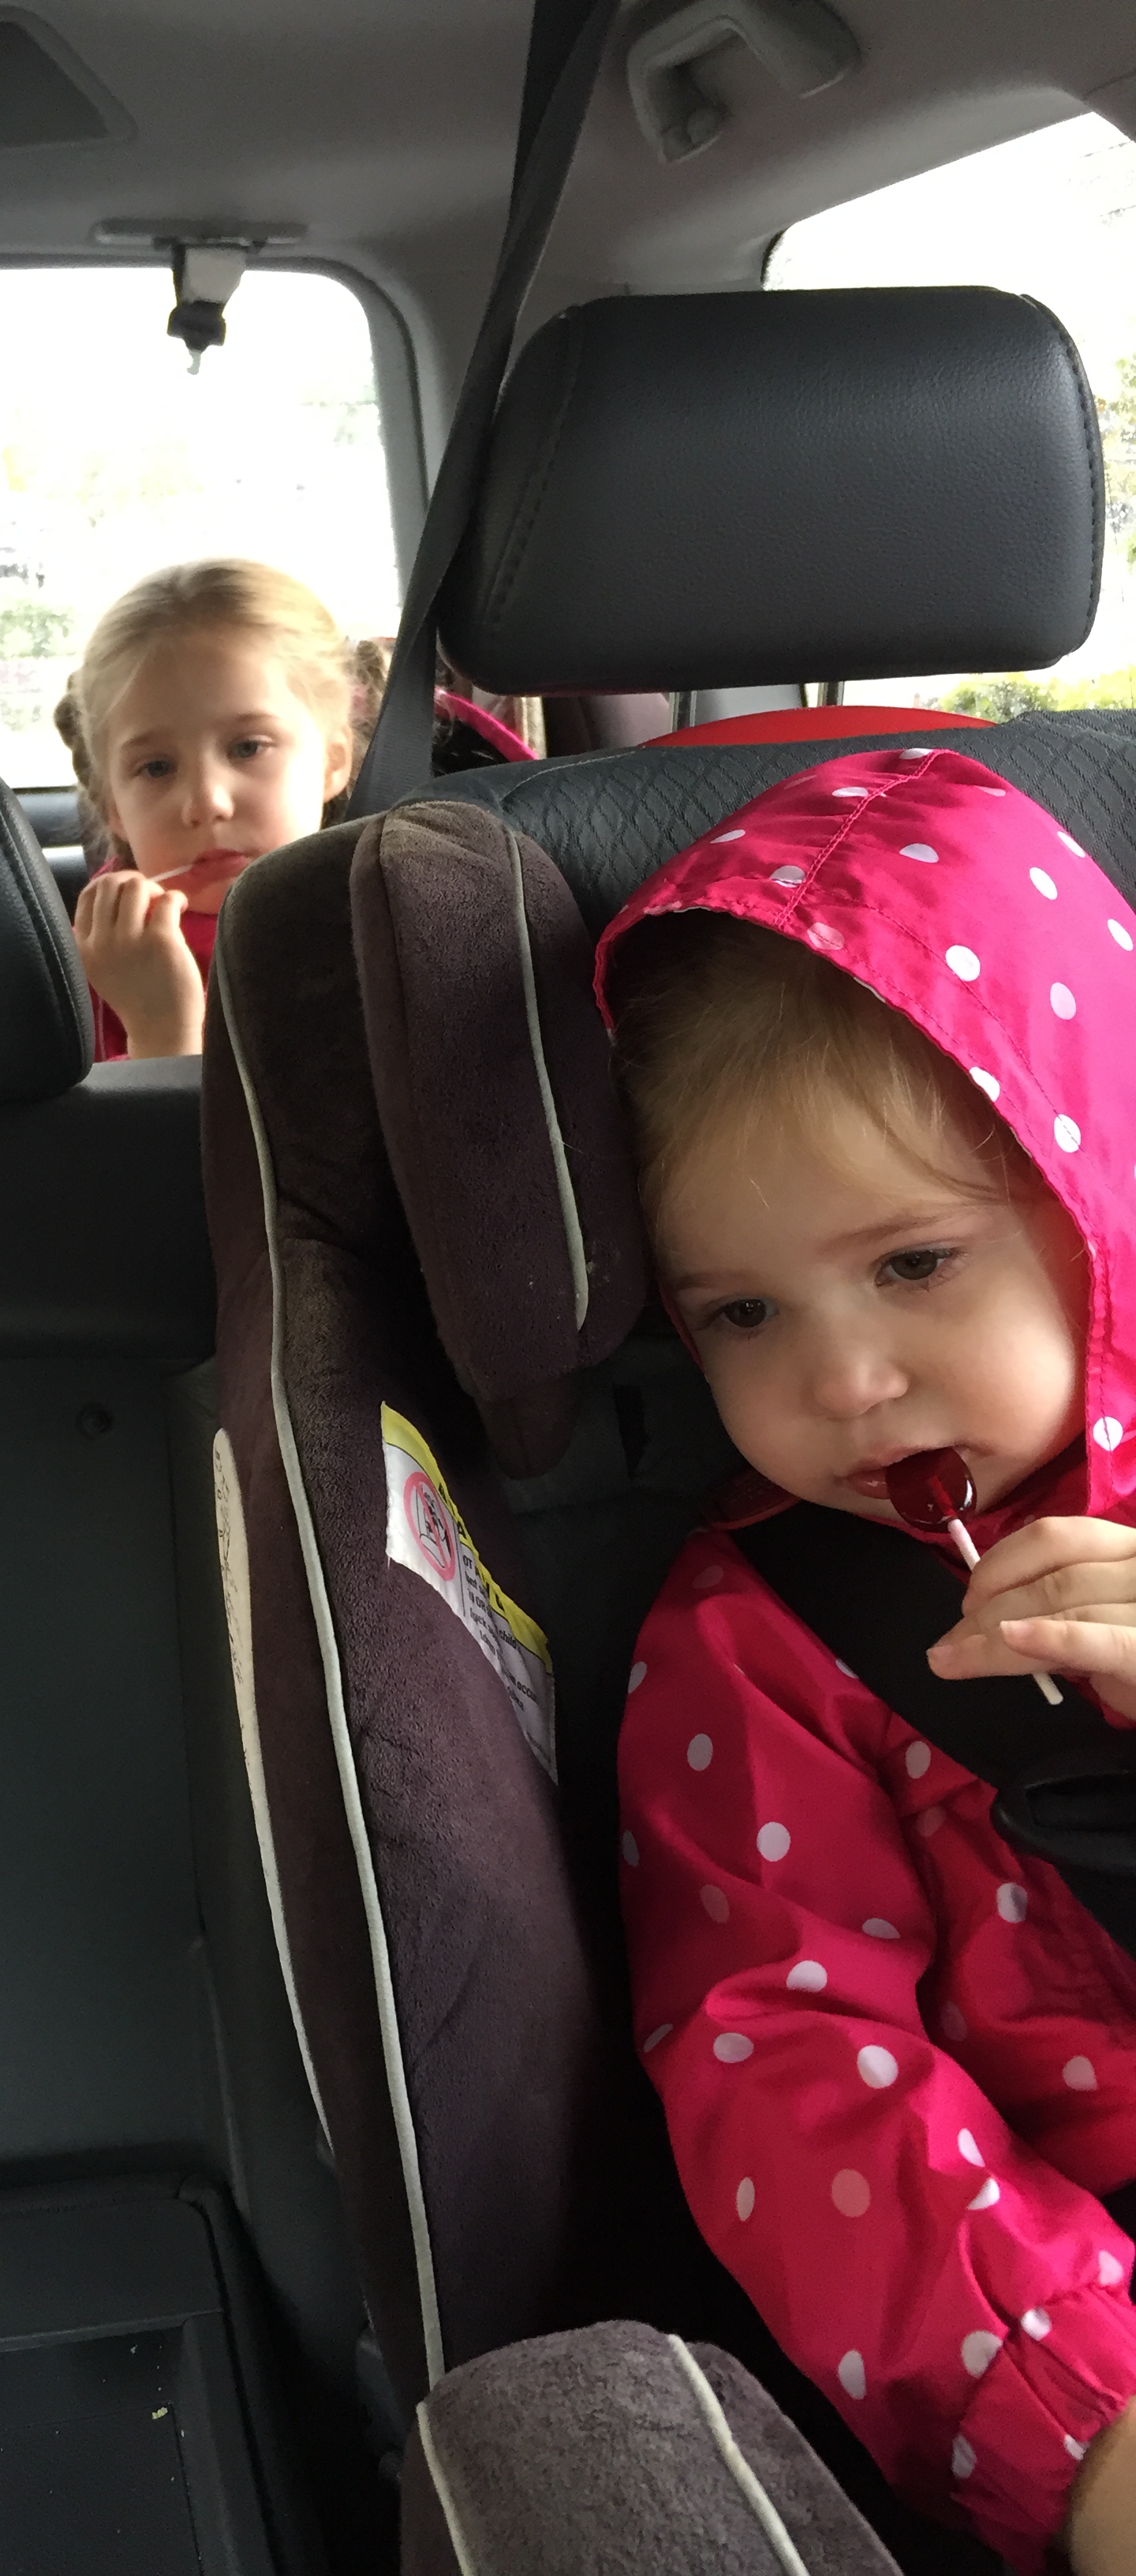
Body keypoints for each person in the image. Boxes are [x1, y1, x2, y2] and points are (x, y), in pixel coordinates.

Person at [600, 743, 1136, 2575]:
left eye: (913, 1265)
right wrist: (1073, 2409)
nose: (839, 1380)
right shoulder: (755, 1643)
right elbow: (787, 2058)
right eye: (741, 1311)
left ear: (1092, 1190)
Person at [53, 560, 386, 1059]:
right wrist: (160, 1031)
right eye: (157, 768)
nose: (207, 802)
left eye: (248, 748)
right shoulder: (95, 971)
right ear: (113, 806)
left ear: (332, 761)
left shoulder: (394, 920)